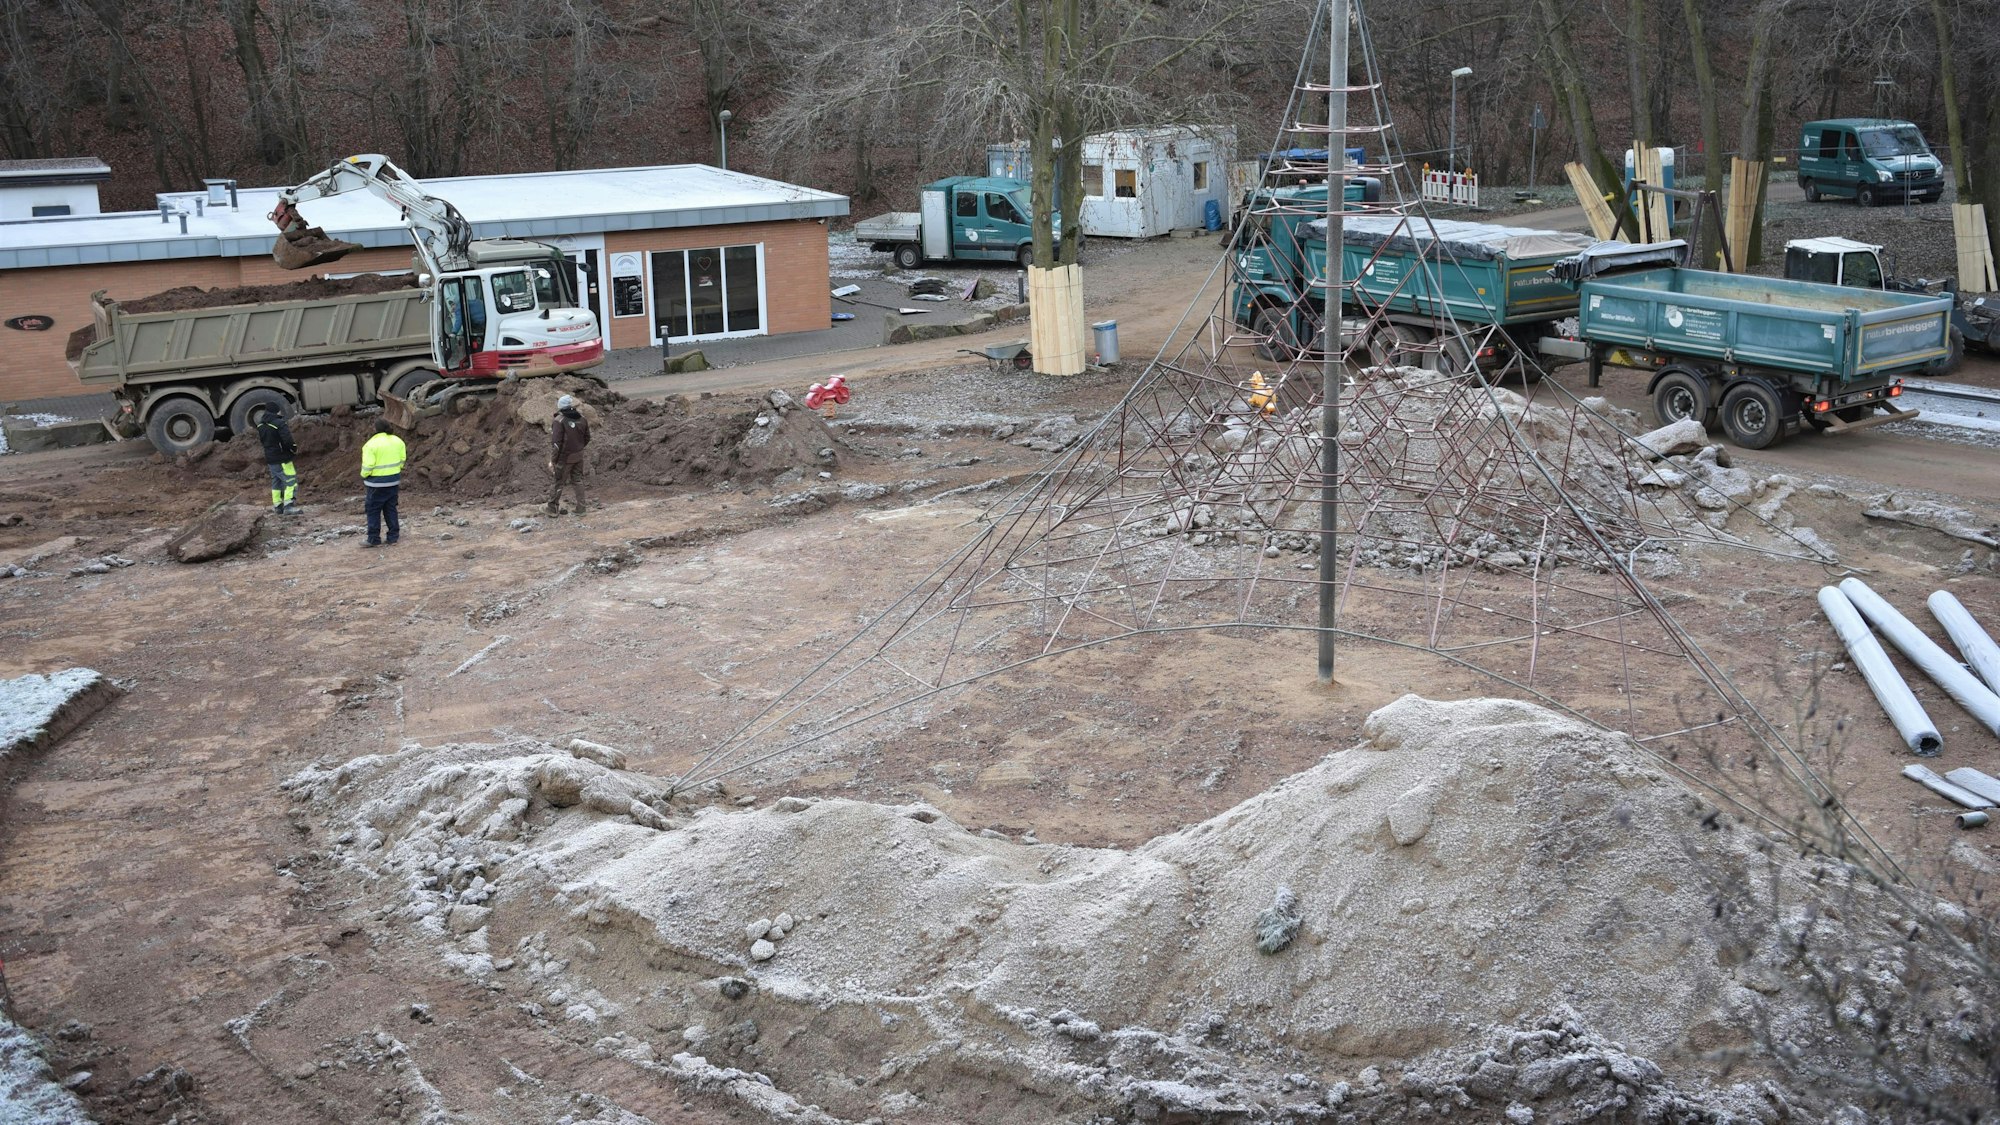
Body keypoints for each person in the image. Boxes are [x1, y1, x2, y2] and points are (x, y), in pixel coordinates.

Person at [360, 419, 406, 548]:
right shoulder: (398, 441)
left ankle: (373, 538)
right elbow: (402, 459)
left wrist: (363, 475)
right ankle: (393, 537)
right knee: (390, 508)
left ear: (375, 429)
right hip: (393, 481)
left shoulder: (370, 445)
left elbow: (368, 466)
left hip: (376, 484)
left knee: (373, 510)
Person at [545, 394, 591, 516]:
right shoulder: (582, 418)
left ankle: (552, 509)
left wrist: (553, 460)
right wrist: (578, 448)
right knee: (578, 480)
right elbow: (587, 438)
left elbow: (556, 444)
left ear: (560, 406)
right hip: (578, 456)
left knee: (558, 481)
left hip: (564, 458)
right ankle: (581, 508)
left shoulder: (559, 421)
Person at [254, 407, 301, 515]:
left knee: (276, 482)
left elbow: (263, 441)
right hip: (282, 458)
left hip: (270, 458)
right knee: (290, 481)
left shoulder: (260, 425)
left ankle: (278, 506)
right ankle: (289, 506)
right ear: (276, 411)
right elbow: (288, 440)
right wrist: (293, 449)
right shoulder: (279, 423)